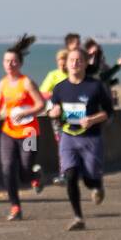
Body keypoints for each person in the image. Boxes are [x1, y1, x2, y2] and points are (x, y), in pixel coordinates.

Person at [48, 48, 113, 230]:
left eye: (79, 60)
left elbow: (108, 112)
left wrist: (92, 119)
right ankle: (78, 217)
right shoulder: (60, 88)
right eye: (71, 60)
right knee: (70, 175)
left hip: (91, 138)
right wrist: (53, 113)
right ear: (66, 64)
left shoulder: (95, 86)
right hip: (68, 137)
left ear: (85, 63)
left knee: (89, 178)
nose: (75, 63)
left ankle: (96, 185)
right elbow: (53, 111)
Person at [0, 35, 47, 220]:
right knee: (7, 169)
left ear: (20, 63)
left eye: (13, 61)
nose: (10, 64)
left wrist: (25, 113)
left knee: (25, 169)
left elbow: (41, 105)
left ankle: (35, 174)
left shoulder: (27, 83)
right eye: (7, 61)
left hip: (29, 132)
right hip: (8, 132)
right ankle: (15, 207)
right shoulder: (2, 83)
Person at [38, 48, 72, 186]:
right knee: (62, 144)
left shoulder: (75, 74)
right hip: (58, 116)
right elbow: (42, 93)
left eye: (64, 61)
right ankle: (63, 173)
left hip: (74, 115)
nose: (62, 65)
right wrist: (56, 95)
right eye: (59, 61)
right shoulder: (53, 75)